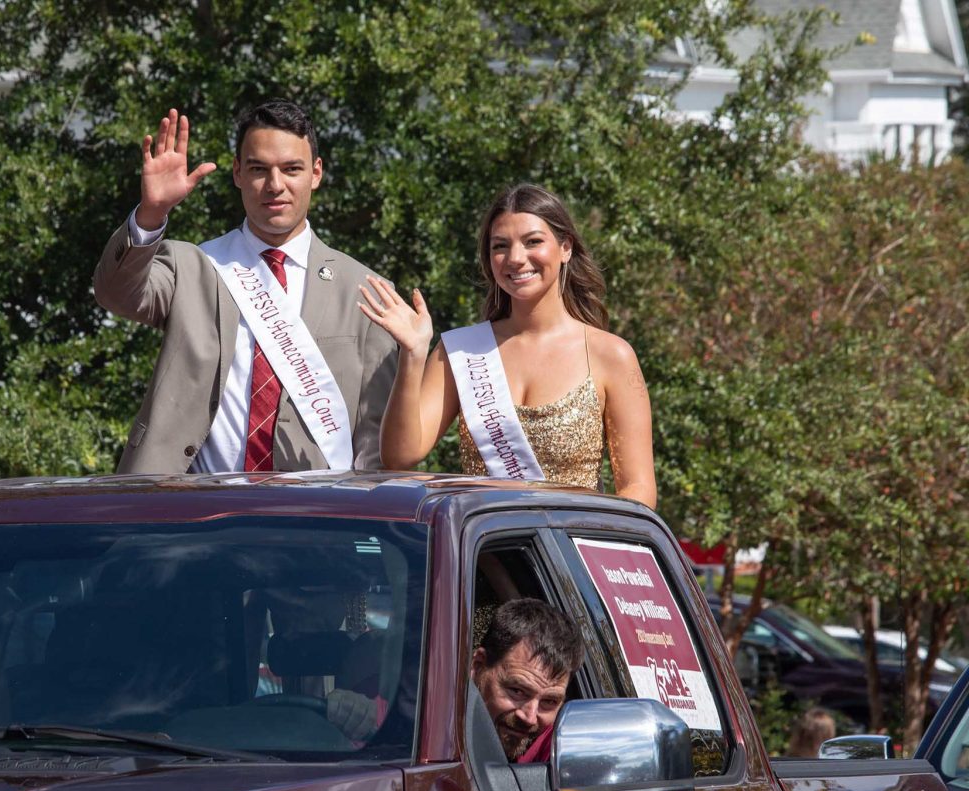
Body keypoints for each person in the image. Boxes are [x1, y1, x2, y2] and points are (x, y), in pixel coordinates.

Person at [94, 101, 398, 473]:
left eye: (291, 169)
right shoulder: (194, 267)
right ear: (237, 172)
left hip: (313, 514)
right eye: (258, 169)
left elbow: (374, 442)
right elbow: (114, 292)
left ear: (316, 173)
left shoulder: (367, 292)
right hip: (189, 507)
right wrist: (151, 213)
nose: (275, 185)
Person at [357, 184, 656, 507]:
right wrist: (413, 356)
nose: (515, 258)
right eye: (500, 246)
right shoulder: (461, 351)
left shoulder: (611, 355)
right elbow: (400, 458)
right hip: (484, 550)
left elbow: (638, 489)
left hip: (570, 549)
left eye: (533, 242)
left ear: (565, 247)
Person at [471, 598, 584, 762]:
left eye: (549, 701)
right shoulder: (426, 724)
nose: (530, 718)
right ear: (478, 665)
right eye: (517, 691)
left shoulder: (558, 748)